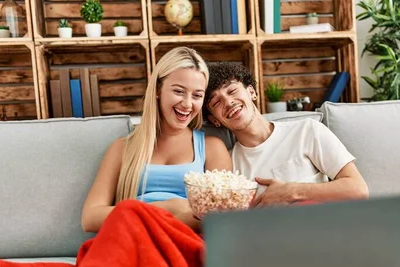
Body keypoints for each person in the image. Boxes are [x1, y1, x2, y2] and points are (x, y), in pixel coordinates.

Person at [82, 47, 231, 233]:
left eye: (197, 95)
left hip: (185, 241)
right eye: (179, 91)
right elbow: (90, 218)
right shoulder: (123, 148)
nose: (187, 103)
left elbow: (223, 219)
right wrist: (168, 209)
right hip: (133, 240)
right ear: (158, 89)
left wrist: (178, 219)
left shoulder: (212, 148)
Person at [204, 62, 369, 207]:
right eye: (216, 102)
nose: (228, 102)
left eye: (232, 91)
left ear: (252, 92)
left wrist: (291, 190)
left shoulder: (307, 131)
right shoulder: (228, 166)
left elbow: (358, 189)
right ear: (214, 120)